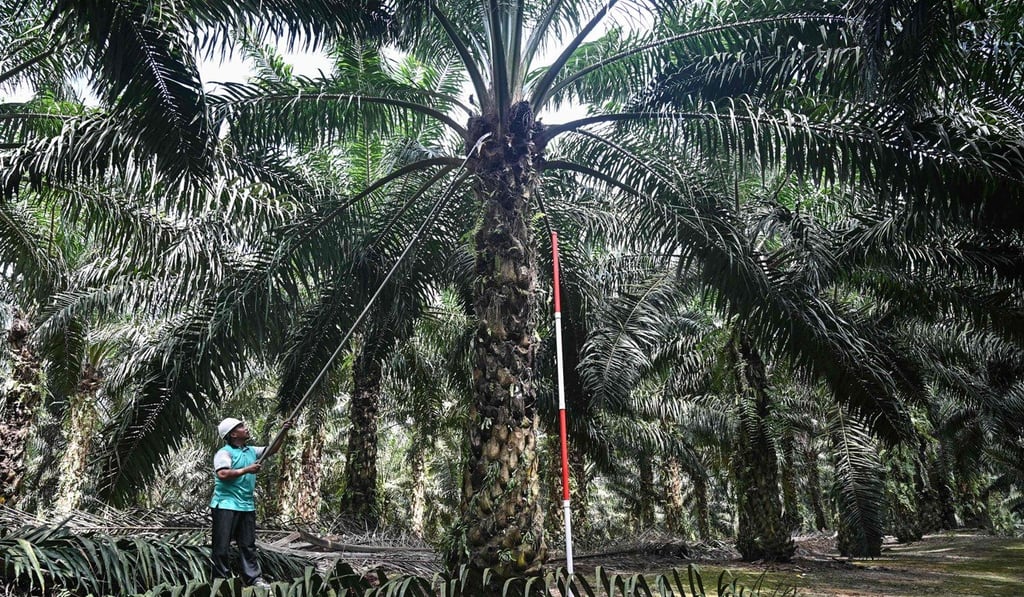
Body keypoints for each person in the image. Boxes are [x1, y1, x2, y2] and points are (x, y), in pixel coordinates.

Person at [209, 417, 291, 587]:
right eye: (241, 427)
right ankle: (221, 581)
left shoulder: (251, 451)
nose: (246, 429)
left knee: (247, 545)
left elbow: (272, 449)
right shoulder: (224, 453)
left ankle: (253, 579)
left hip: (246, 505)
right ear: (233, 434)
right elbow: (223, 474)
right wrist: (247, 469)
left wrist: (284, 430)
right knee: (221, 546)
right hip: (226, 505)